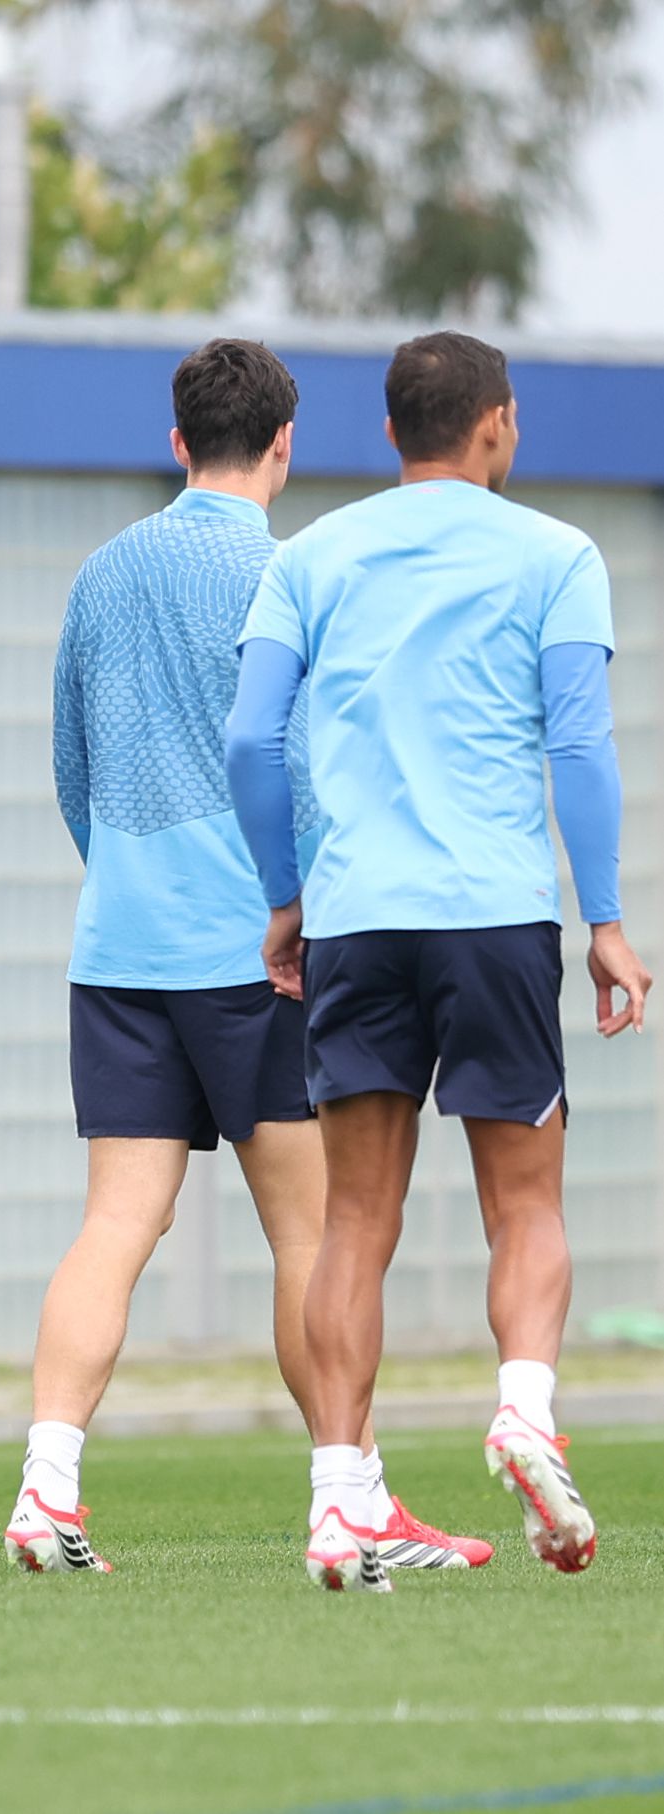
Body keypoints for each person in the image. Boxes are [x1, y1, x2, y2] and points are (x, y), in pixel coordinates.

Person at [14, 340, 484, 1576]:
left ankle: (45, 1489)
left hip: (118, 945)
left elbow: (71, 763)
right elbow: (306, 765)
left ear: (177, 441)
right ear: (286, 444)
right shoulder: (291, 574)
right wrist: (308, 907)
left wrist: (124, 872)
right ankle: (357, 1501)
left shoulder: (102, 573)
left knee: (114, 1223)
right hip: (255, 952)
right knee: (313, 1232)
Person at [227, 331, 651, 1591]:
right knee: (525, 1202)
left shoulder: (311, 555)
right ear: (498, 425)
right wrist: (610, 919)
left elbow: (253, 739)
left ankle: (339, 1494)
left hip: (357, 913)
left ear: (391, 431)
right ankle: (524, 1408)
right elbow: (580, 751)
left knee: (354, 1217)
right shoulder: (556, 556)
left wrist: (286, 892)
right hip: (493, 914)